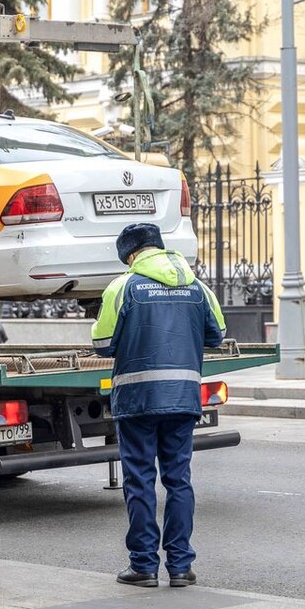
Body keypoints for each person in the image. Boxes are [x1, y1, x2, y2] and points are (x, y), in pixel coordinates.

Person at [91, 223, 225, 588]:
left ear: (131, 255)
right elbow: (217, 334)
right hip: (183, 398)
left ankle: (144, 566)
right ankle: (181, 567)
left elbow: (102, 342)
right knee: (179, 480)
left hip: (137, 401)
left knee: (140, 481)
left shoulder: (124, 286)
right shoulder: (198, 287)